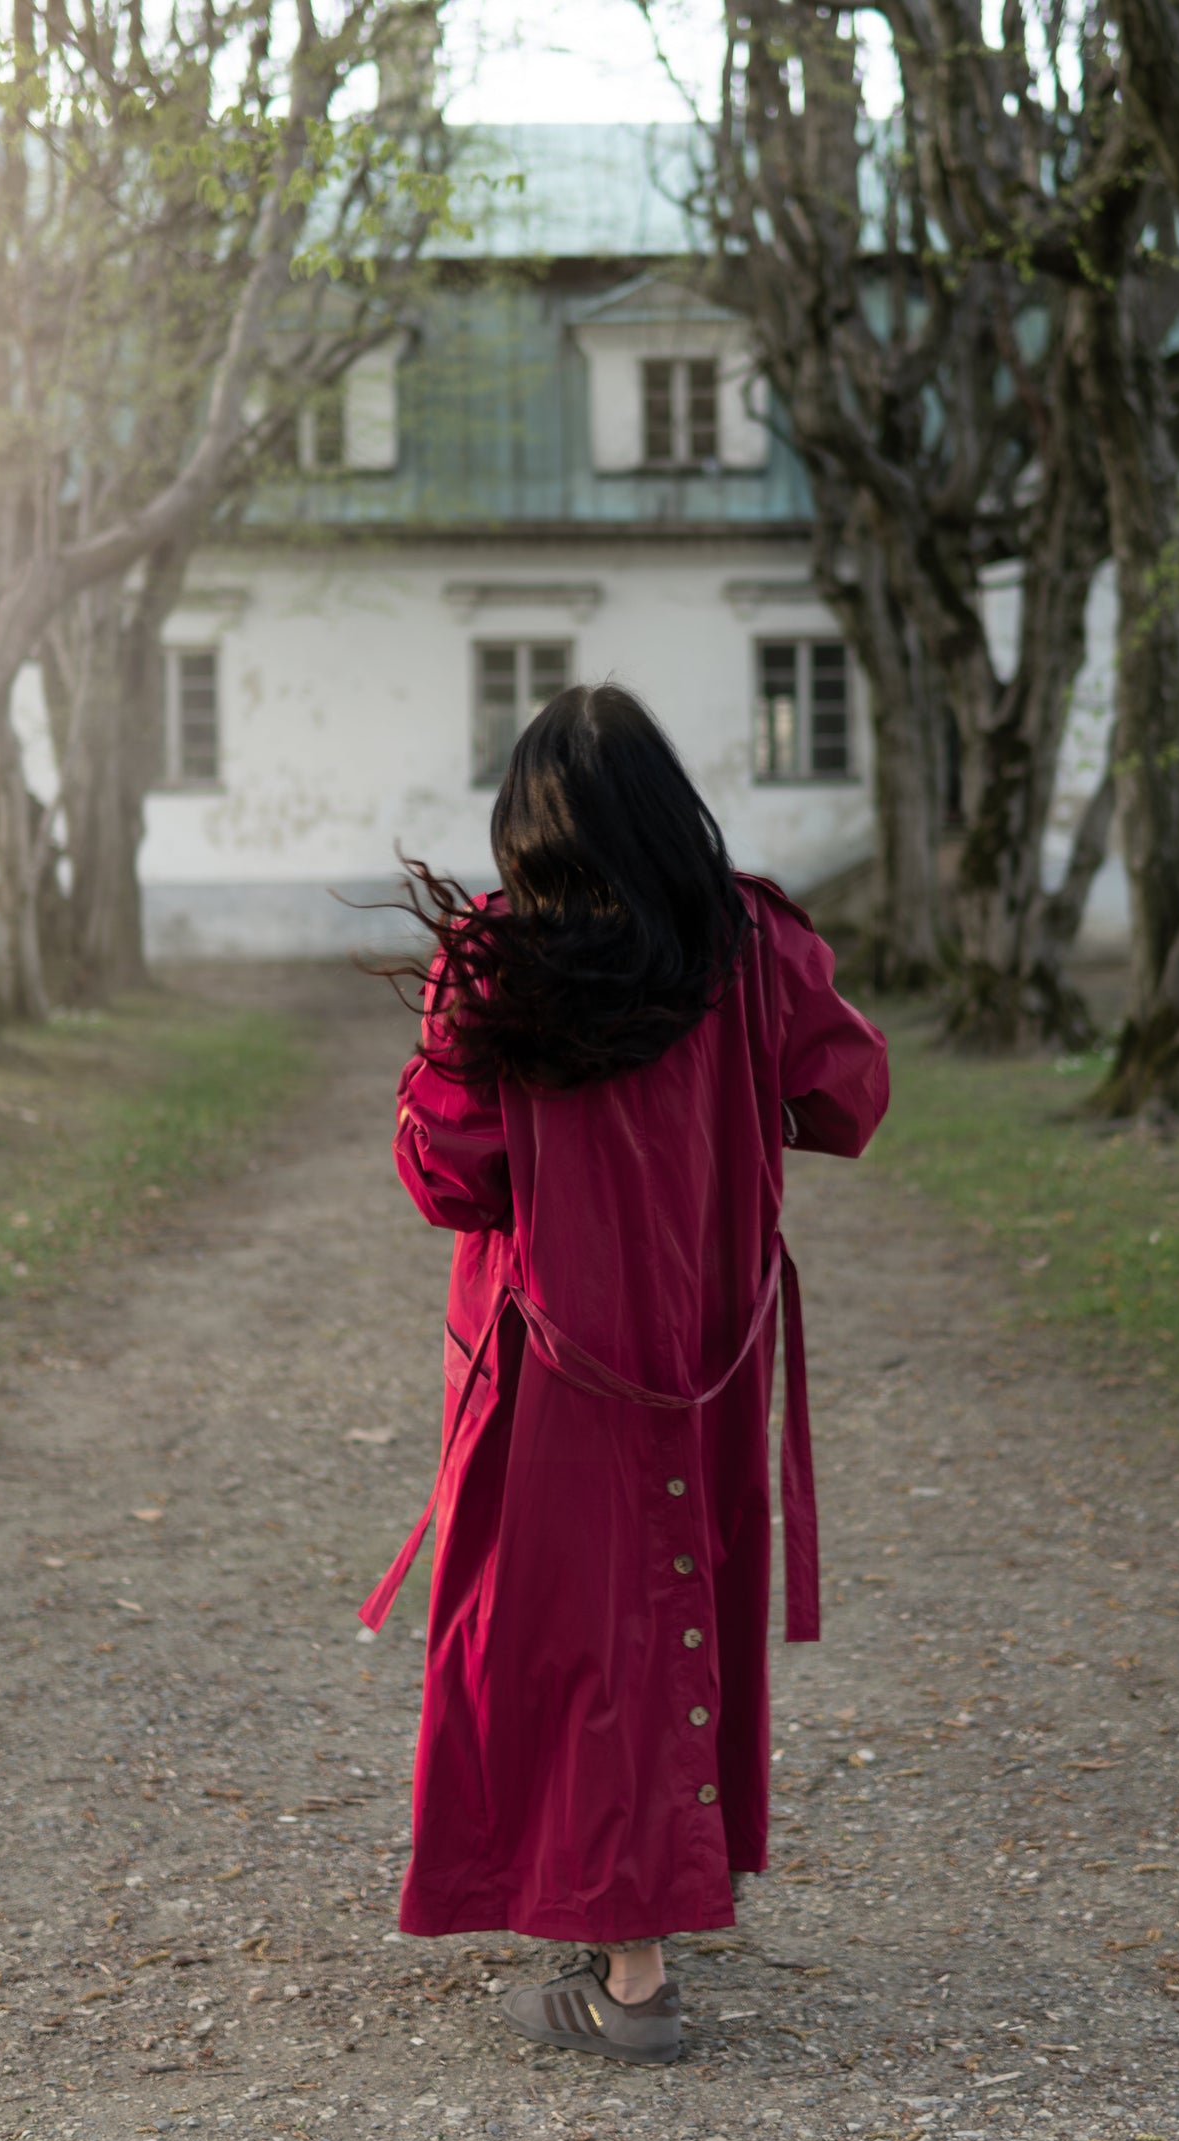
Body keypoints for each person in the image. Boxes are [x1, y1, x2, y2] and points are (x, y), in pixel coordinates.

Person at [361, 683, 889, 2066]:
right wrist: (727, 1107)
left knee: (574, 1629)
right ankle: (634, 1914)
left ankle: (635, 1979)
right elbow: (849, 1098)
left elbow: (447, 1176)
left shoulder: (501, 962)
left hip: (551, 1353)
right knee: (662, 1601)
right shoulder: (755, 943)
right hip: (701, 1339)